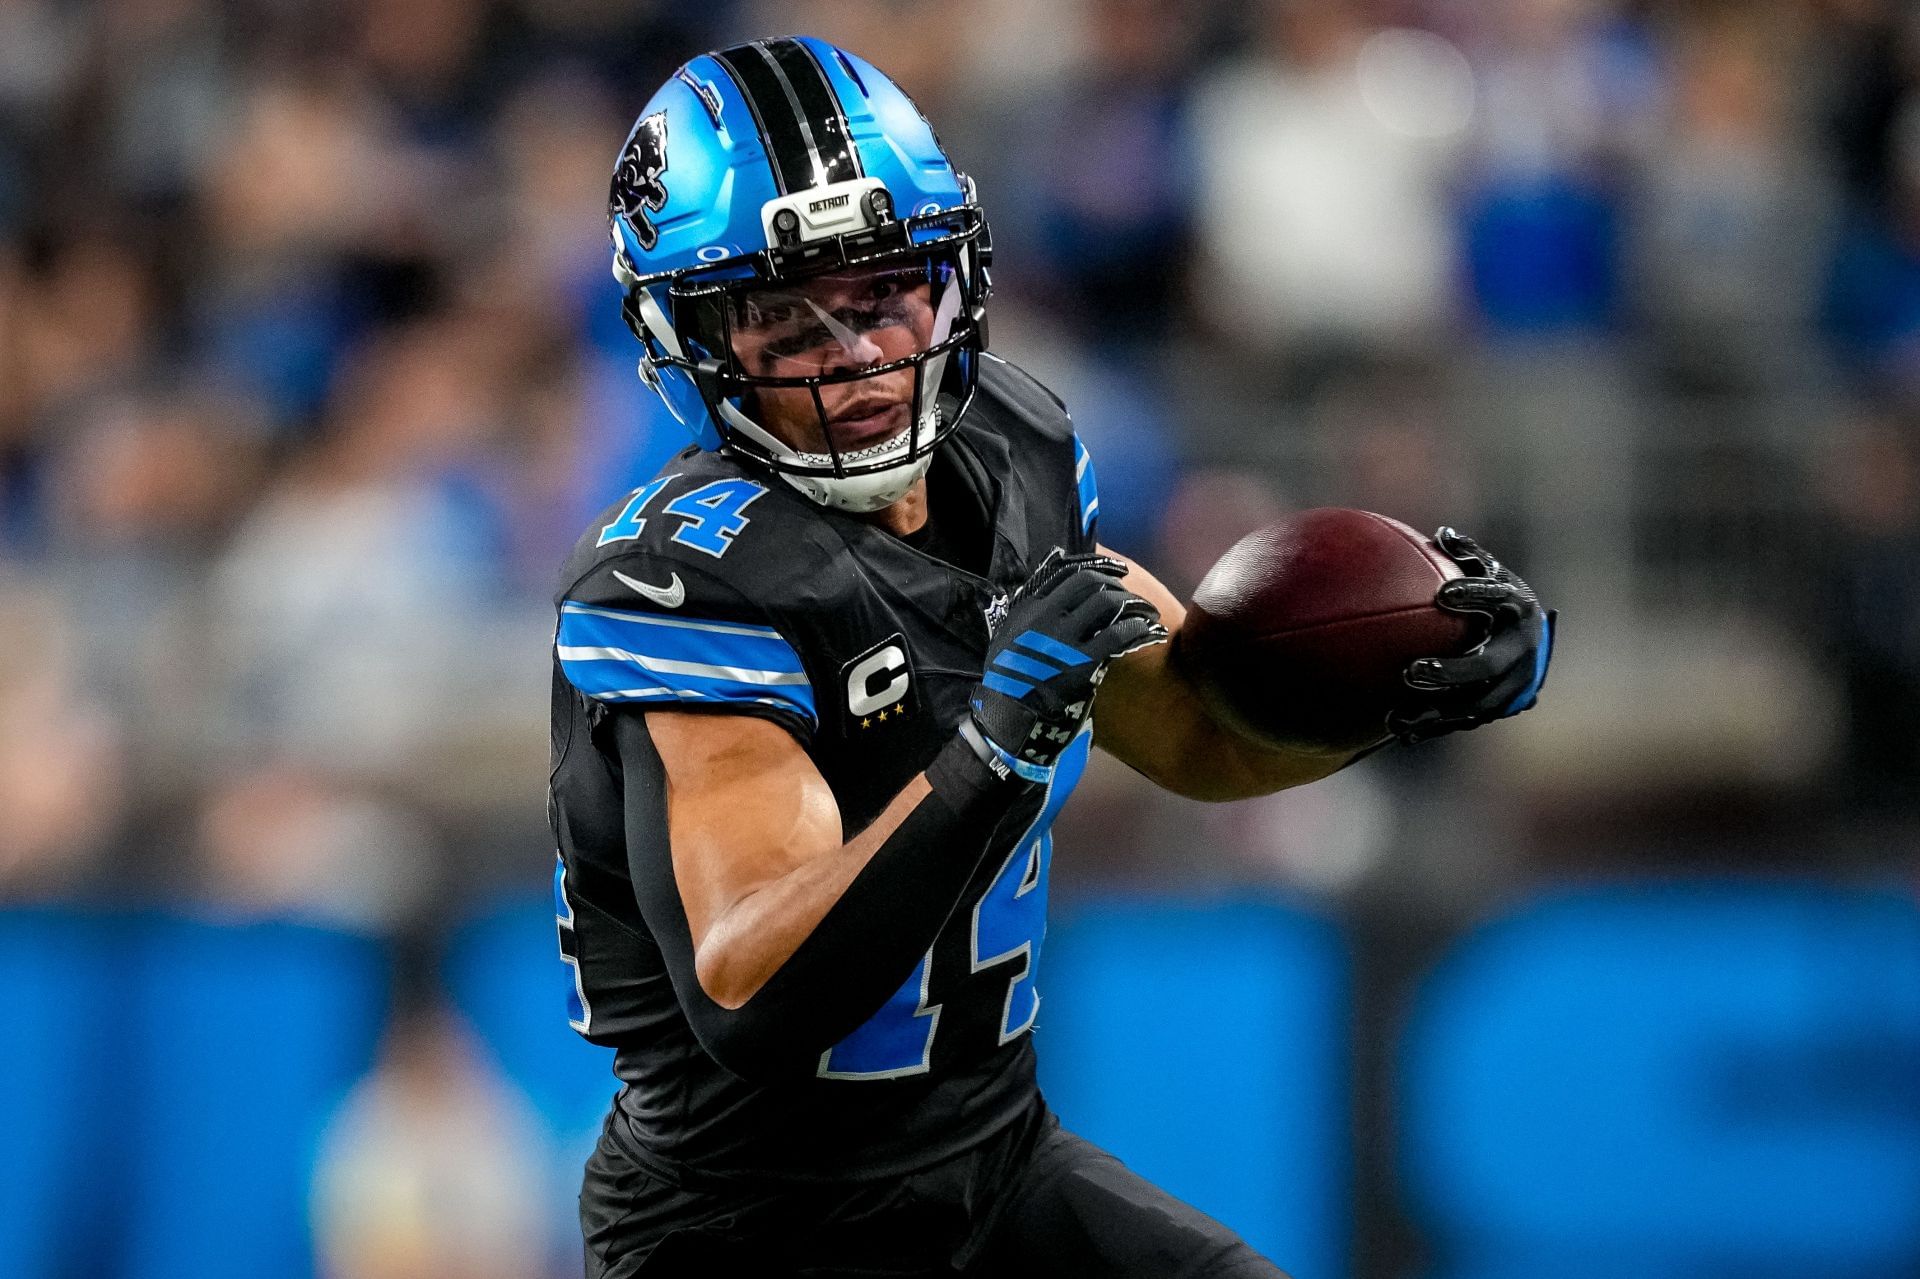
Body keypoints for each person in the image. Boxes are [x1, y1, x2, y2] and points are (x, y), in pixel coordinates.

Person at [550, 36, 1554, 1278]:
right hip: (752, 1226)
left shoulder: (1010, 452)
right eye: (781, 320)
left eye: (883, 291)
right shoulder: (695, 584)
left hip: (993, 1159)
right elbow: (755, 992)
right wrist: (989, 748)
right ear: (694, 339)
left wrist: (1409, 685)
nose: (857, 355)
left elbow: (1198, 731)